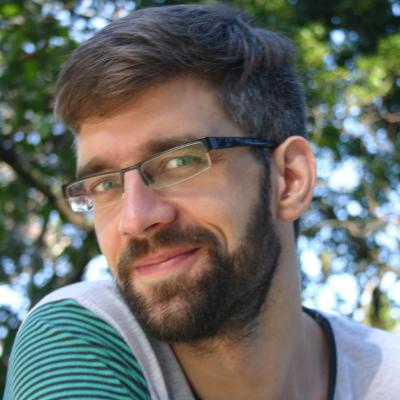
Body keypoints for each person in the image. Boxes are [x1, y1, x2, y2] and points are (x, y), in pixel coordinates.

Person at [4, 3, 400, 400]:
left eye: (180, 162)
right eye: (105, 184)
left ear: (290, 180)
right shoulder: (79, 337)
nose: (134, 218)